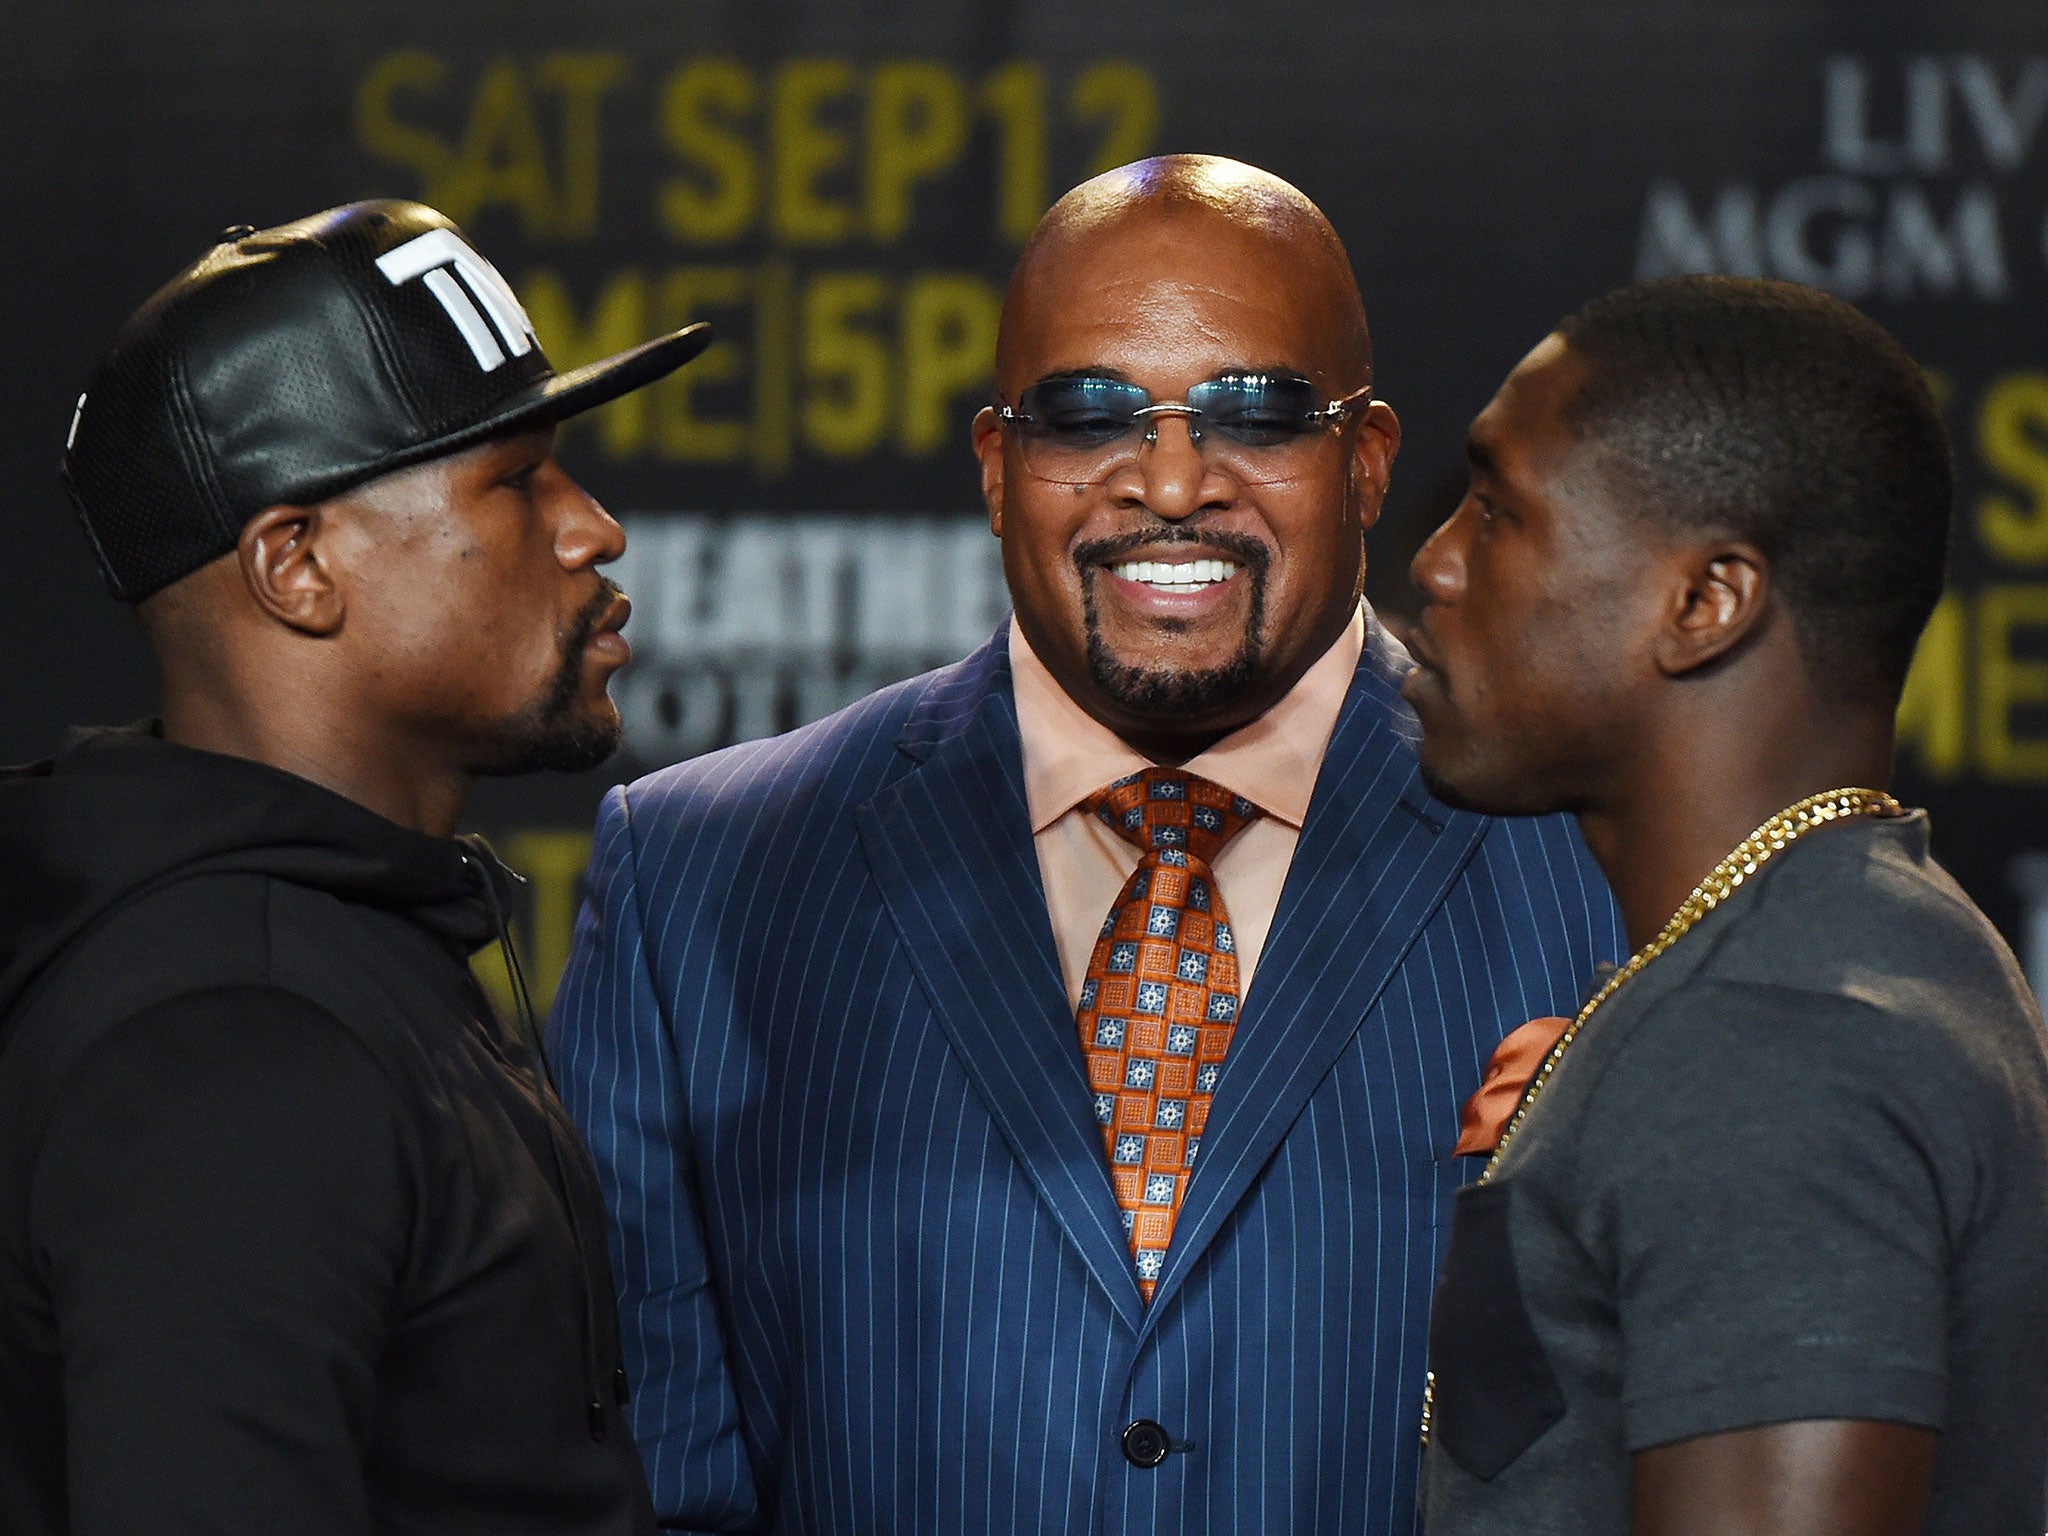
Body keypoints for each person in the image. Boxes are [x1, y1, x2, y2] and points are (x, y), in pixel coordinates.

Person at [548, 154, 1624, 1535]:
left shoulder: (1595, 861)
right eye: (1087, 415)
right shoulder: (700, 878)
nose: (1172, 482)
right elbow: (643, 1471)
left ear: (1364, 463)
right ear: (998, 468)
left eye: (1257, 411)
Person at [0, 199, 713, 1534]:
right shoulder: (233, 1038)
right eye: (514, 481)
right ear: (299, 566)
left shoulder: (340, 942)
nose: (594, 530)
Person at [1407, 276, 2048, 1535]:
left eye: (1495, 512)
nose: (1433, 563)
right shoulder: (1862, 943)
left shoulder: (1768, 1043)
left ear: (1704, 604)